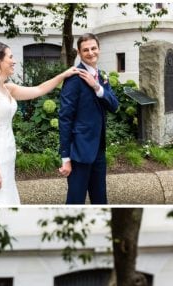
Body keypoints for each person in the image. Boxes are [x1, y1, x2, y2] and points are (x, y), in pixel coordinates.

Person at [0, 41, 79, 204]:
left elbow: (39, 89)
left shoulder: (7, 88)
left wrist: (63, 75)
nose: (14, 61)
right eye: (10, 57)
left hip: (6, 154)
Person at [58, 32, 119, 204]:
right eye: (86, 50)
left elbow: (114, 106)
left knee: (101, 200)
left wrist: (96, 87)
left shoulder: (102, 77)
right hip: (79, 152)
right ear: (79, 52)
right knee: (75, 202)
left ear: (99, 49)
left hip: (99, 150)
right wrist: (65, 158)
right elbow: (65, 118)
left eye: (94, 48)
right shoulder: (74, 78)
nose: (91, 53)